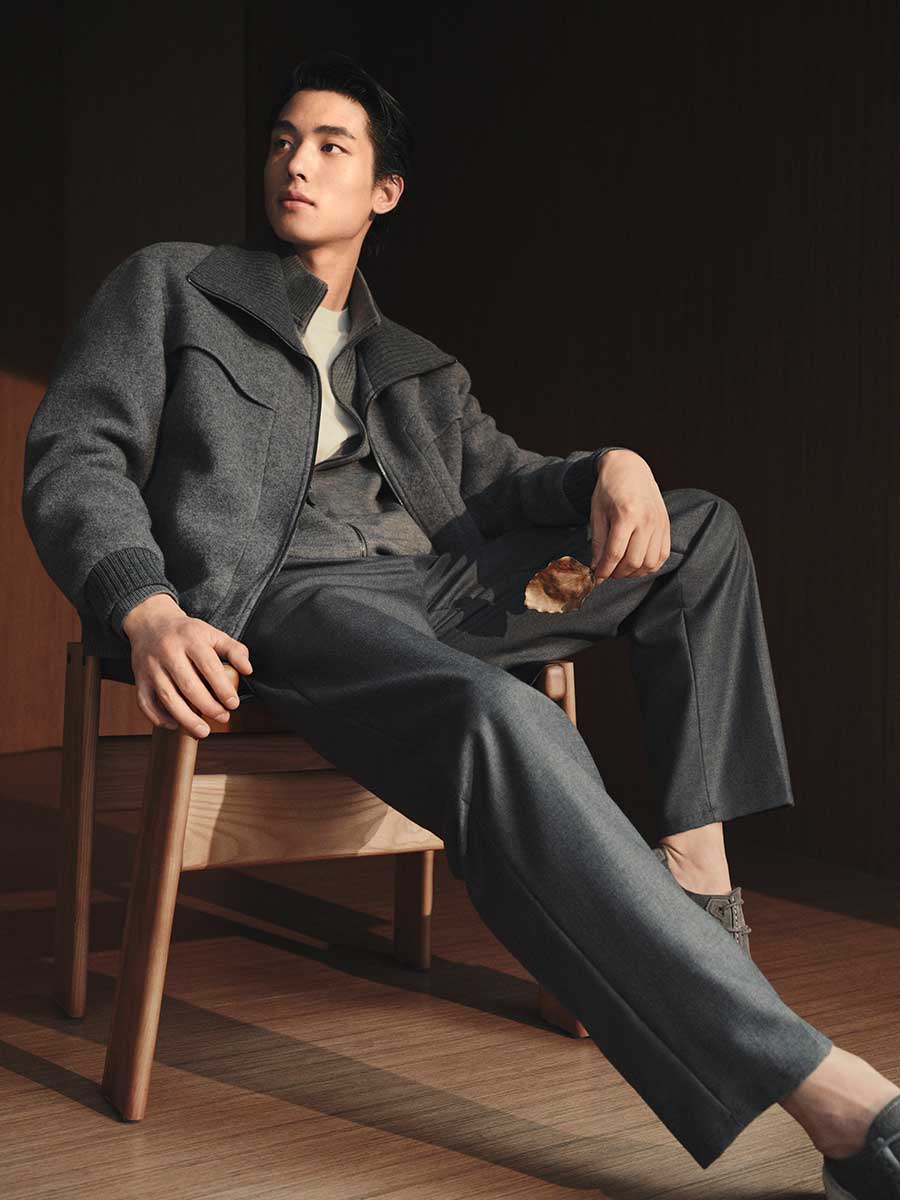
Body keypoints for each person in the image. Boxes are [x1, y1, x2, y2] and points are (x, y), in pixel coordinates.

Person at [22, 48, 899, 1197]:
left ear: (384, 188)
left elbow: (506, 485)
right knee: (511, 722)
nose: (296, 163)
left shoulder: (414, 366)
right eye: (284, 141)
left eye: (331, 145)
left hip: (452, 591)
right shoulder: (174, 287)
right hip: (296, 600)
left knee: (699, 532)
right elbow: (74, 455)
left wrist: (611, 465)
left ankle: (698, 883)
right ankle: (830, 1097)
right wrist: (142, 605)